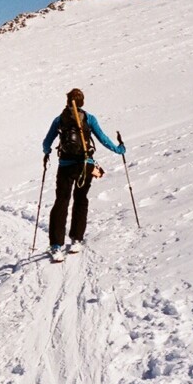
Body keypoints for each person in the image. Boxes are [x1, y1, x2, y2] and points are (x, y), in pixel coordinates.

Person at [41, 88, 125, 260]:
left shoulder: (60, 120)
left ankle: (56, 245)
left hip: (65, 166)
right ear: (82, 102)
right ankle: (77, 239)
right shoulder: (89, 118)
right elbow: (102, 138)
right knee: (81, 200)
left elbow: (46, 143)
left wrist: (47, 151)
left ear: (67, 101)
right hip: (85, 165)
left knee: (61, 202)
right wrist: (118, 149)